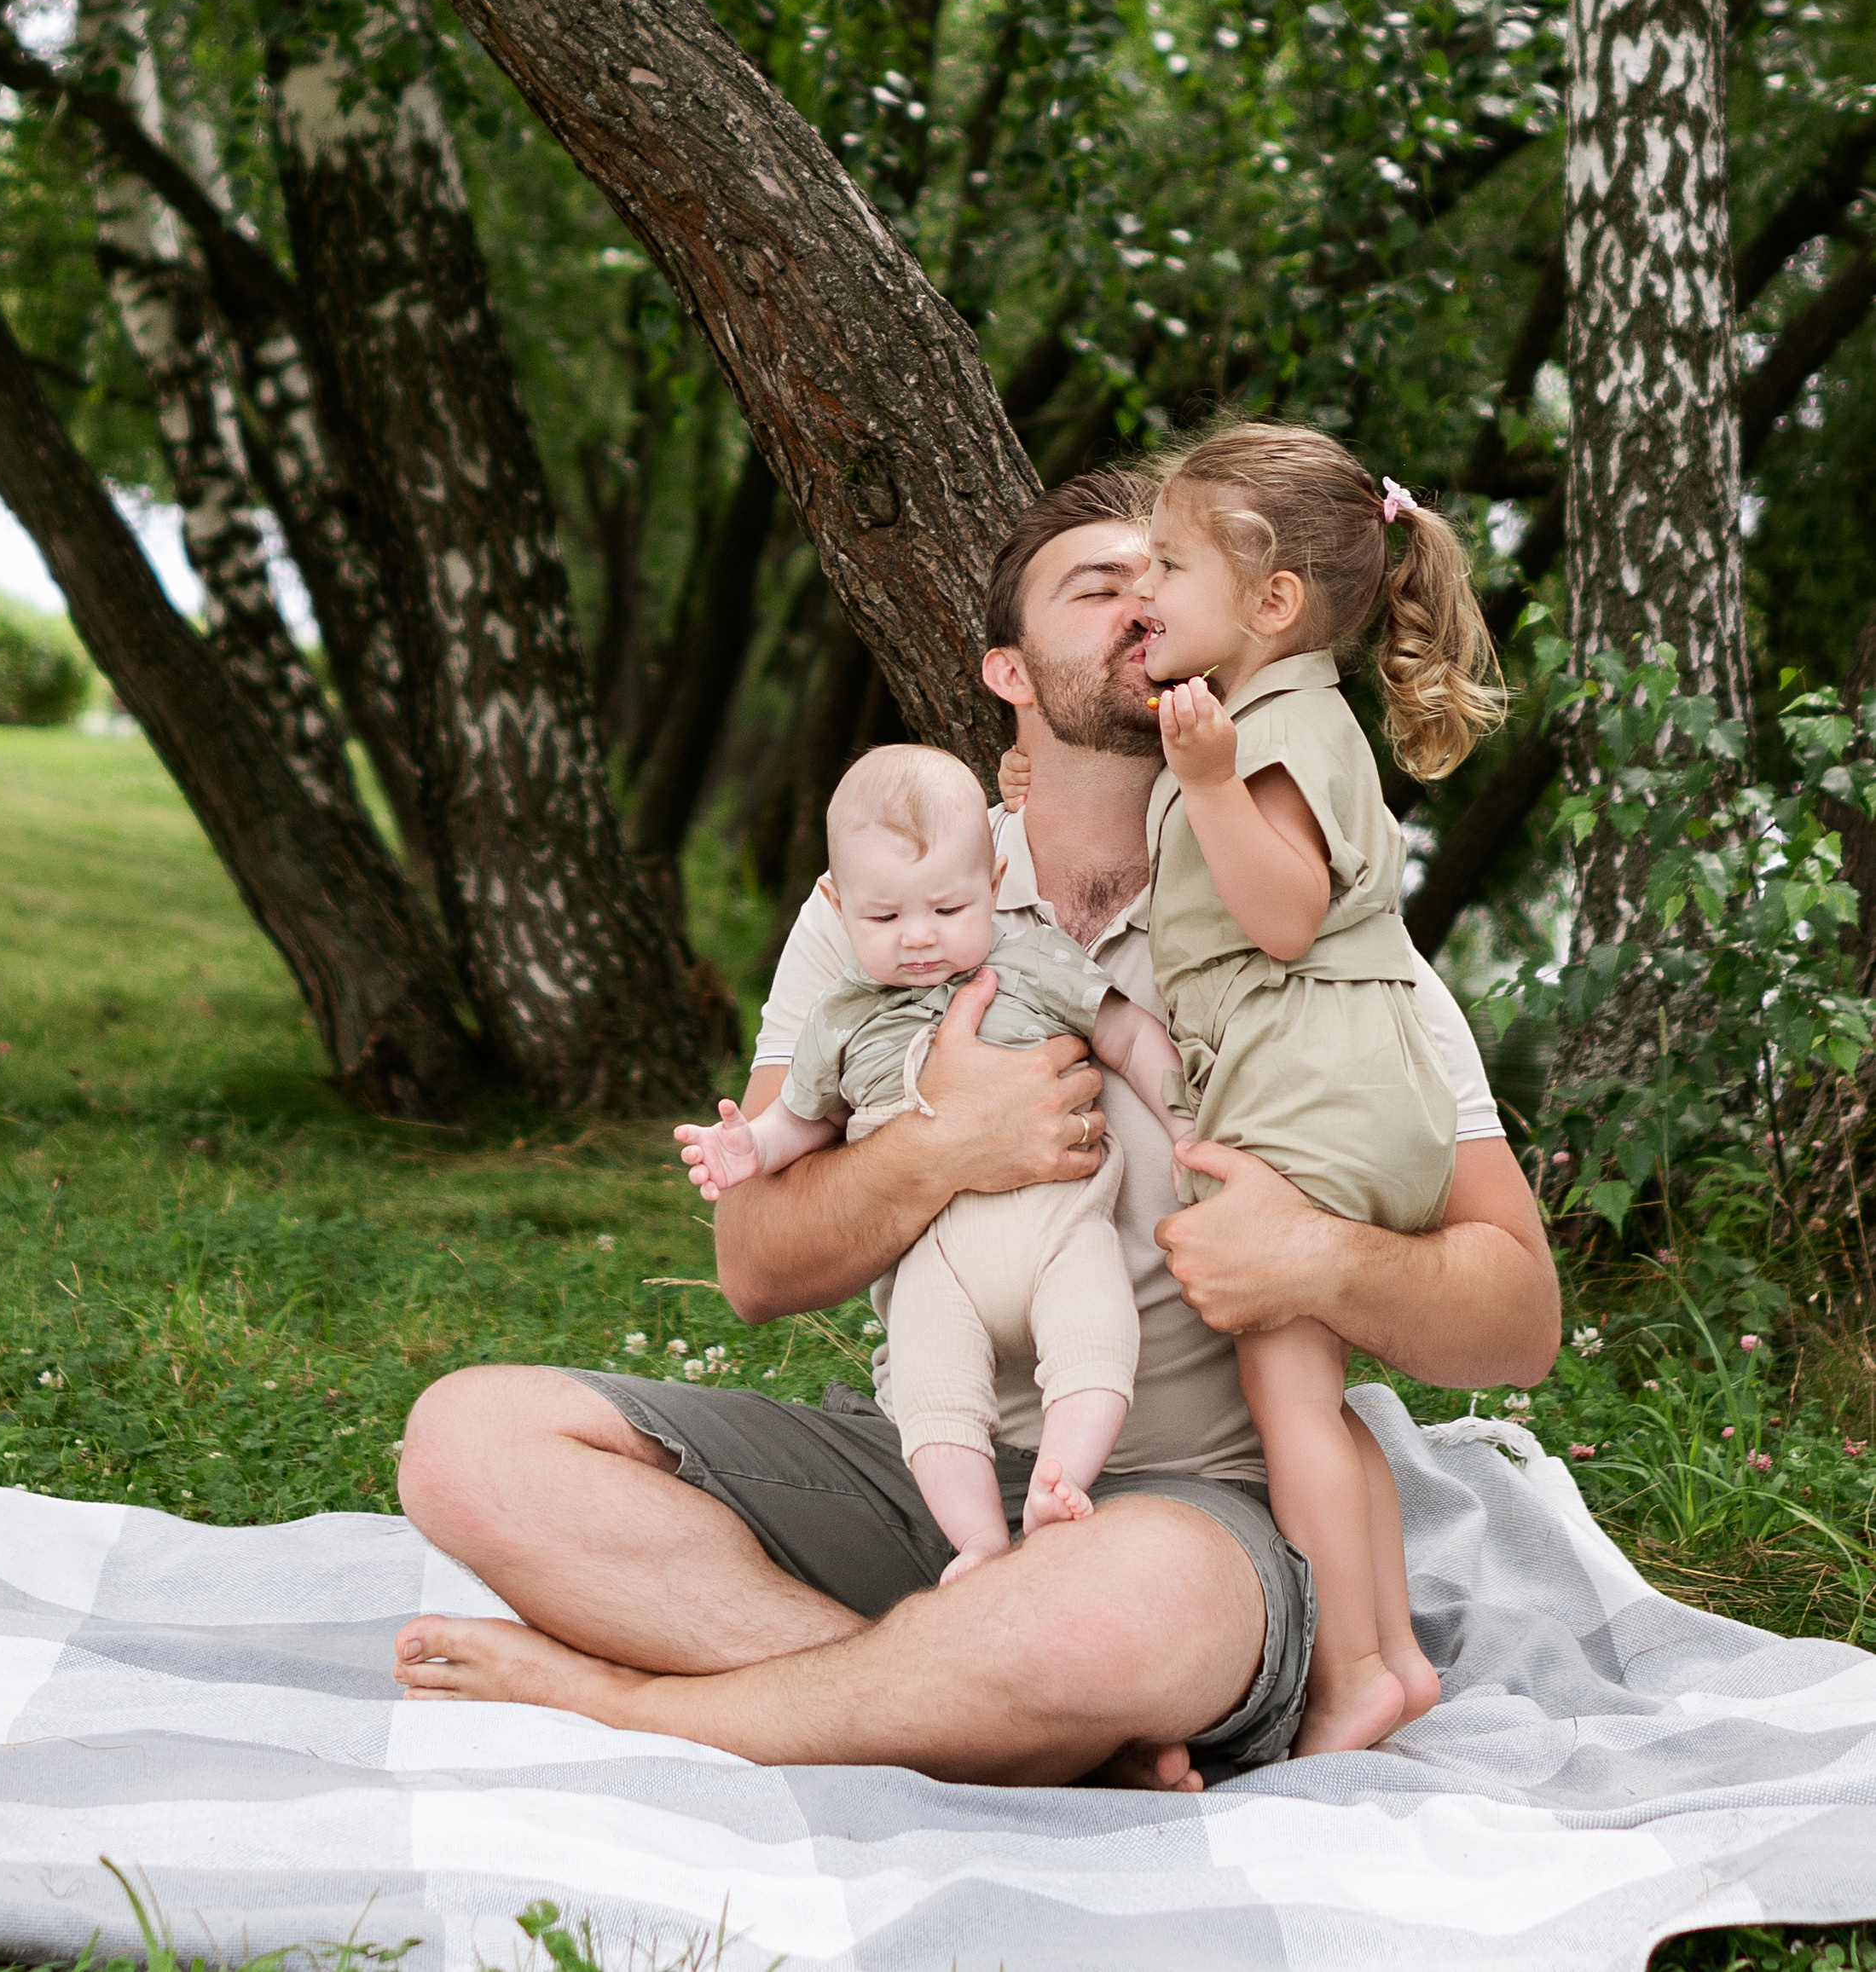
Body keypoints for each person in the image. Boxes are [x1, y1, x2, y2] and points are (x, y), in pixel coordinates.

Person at [389, 469, 1560, 1788]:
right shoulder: (883, 906)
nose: (1143, 602)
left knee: (1105, 1617)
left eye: (1167, 575)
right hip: (920, 1467)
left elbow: (1519, 1320)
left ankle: (647, 1703)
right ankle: (1001, 1713)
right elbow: (756, 1266)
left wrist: (1324, 1259)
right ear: (1009, 670)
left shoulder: (1320, 932)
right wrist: (942, 1144)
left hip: (1182, 1516)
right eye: (1101, 583)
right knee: (470, 1443)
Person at [1097, 427, 1499, 1754]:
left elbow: (1284, 911)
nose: (1144, 584)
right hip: (1345, 1079)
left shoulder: (1272, 730)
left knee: (1284, 1402)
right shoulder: (1285, 713)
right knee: (1315, 1396)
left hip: (1308, 1088)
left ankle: (1349, 1677)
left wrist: (1209, 783)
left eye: (1170, 562)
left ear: (1272, 601)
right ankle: (1395, 1657)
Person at [675, 740, 1186, 1575]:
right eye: (884, 919)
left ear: (992, 883)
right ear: (838, 904)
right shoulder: (841, 1016)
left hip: (1061, 1228)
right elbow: (804, 1119)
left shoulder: (1031, 961)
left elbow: (1130, 1036)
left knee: (1096, 1337)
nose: (918, 938)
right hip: (935, 1265)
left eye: (947, 909)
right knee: (932, 1395)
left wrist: (1185, 1126)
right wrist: (748, 1147)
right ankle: (978, 1536)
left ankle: (1060, 1480)